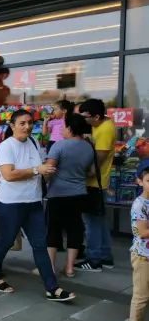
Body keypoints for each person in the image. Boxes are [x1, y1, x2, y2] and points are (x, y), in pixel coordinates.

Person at [0, 109, 76, 302]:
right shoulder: (5, 147)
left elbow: (39, 169)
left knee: (39, 245)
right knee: (6, 241)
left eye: (30, 123)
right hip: (10, 203)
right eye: (22, 123)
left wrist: (47, 171)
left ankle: (52, 288)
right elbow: (9, 175)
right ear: (12, 126)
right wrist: (37, 170)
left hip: (33, 202)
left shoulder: (34, 142)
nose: (27, 127)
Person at [44, 114, 94, 277]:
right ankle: (70, 267)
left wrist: (43, 181)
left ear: (70, 129)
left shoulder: (59, 146)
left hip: (58, 193)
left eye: (64, 127)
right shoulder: (88, 147)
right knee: (74, 230)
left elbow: (49, 171)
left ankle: (50, 267)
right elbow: (92, 172)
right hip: (79, 193)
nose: (62, 130)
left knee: (53, 229)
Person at [75, 99, 117, 272]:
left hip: (94, 183)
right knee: (98, 221)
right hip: (95, 182)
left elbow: (97, 161)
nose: (84, 121)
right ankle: (105, 257)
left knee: (91, 222)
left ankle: (94, 260)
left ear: (97, 116)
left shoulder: (106, 130)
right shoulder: (99, 126)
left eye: (86, 118)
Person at [128, 166, 149, 321]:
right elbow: (142, 232)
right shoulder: (139, 204)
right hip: (143, 255)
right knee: (141, 294)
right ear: (140, 182)